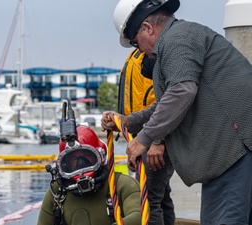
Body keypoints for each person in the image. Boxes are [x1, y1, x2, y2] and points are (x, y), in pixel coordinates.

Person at [101, 0, 252, 224]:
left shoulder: (177, 39)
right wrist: (130, 121)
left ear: (147, 28)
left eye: (135, 42)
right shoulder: (177, 42)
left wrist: (146, 137)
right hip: (229, 152)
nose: (139, 50)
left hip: (236, 150)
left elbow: (182, 92)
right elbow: (167, 101)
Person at [114, 9, 175, 222]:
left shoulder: (155, 58)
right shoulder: (135, 59)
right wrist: (123, 123)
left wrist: (159, 140)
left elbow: (167, 104)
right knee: (160, 194)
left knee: (150, 199)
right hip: (142, 139)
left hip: (153, 140)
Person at [37, 101, 142, 225]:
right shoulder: (57, 192)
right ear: (64, 165)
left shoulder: (121, 185)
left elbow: (139, 217)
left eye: (87, 155)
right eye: (73, 159)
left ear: (100, 155)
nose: (81, 163)